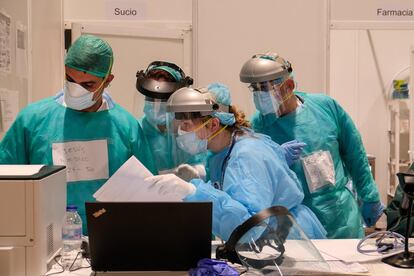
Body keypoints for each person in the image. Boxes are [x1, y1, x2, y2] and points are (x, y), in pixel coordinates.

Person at [0, 35, 156, 233]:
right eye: (70, 80)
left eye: (88, 85)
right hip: (43, 237)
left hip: (111, 237)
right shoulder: (33, 120)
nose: (76, 90)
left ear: (107, 80)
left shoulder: (126, 127)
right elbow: (5, 181)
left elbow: (148, 193)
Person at [145, 83, 327, 241]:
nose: (181, 132)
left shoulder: (245, 155)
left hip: (288, 241)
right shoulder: (220, 154)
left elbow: (251, 227)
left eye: (187, 125)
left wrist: (195, 192)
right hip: (269, 242)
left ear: (214, 125)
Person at [239, 52, 384, 238]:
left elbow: (355, 154)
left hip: (339, 218)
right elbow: (257, 180)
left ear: (289, 86)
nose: (260, 95)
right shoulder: (258, 127)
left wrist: (369, 195)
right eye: (255, 88)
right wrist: (277, 160)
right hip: (294, 225)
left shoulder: (325, 107)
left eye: (266, 88)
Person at [136, 61, 207, 180]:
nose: (156, 105)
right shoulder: (137, 131)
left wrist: (198, 171)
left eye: (164, 99)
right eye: (151, 98)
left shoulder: (188, 131)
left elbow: (208, 165)